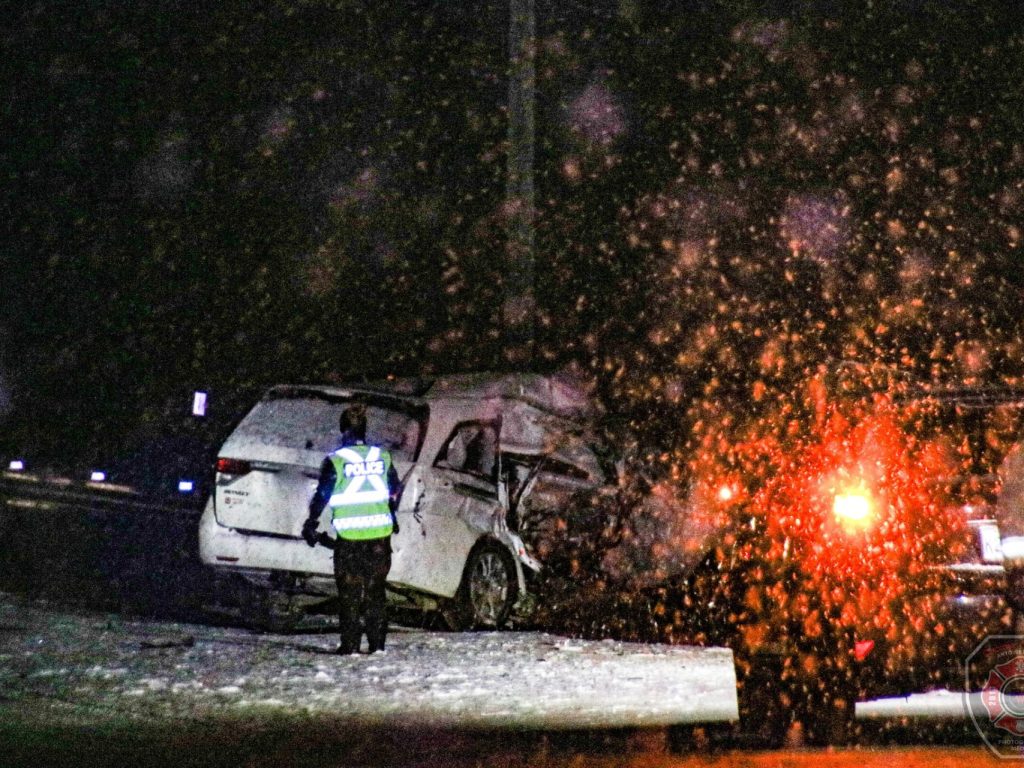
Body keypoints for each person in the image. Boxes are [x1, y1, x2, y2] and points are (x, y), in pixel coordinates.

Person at [303, 404, 401, 654]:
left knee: (349, 593)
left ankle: (350, 645)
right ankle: (377, 645)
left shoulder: (335, 461)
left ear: (342, 430)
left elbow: (322, 496)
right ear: (365, 430)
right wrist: (389, 511)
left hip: (349, 539)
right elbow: (394, 488)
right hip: (380, 536)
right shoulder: (382, 457)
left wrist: (311, 522)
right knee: (376, 592)